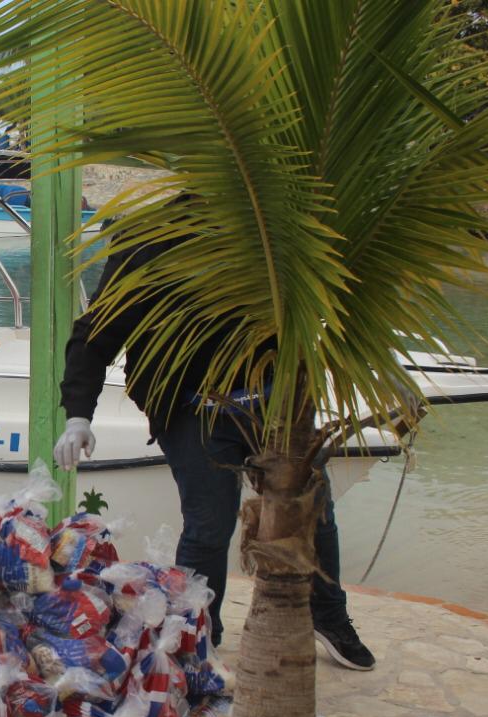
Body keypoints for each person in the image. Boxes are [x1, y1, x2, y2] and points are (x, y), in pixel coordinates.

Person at [52, 197, 375, 670]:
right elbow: (97, 331)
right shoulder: (149, 237)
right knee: (209, 526)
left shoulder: (271, 222)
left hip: (274, 396)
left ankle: (328, 616)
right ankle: (200, 633)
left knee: (315, 514)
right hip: (192, 407)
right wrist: (79, 413)